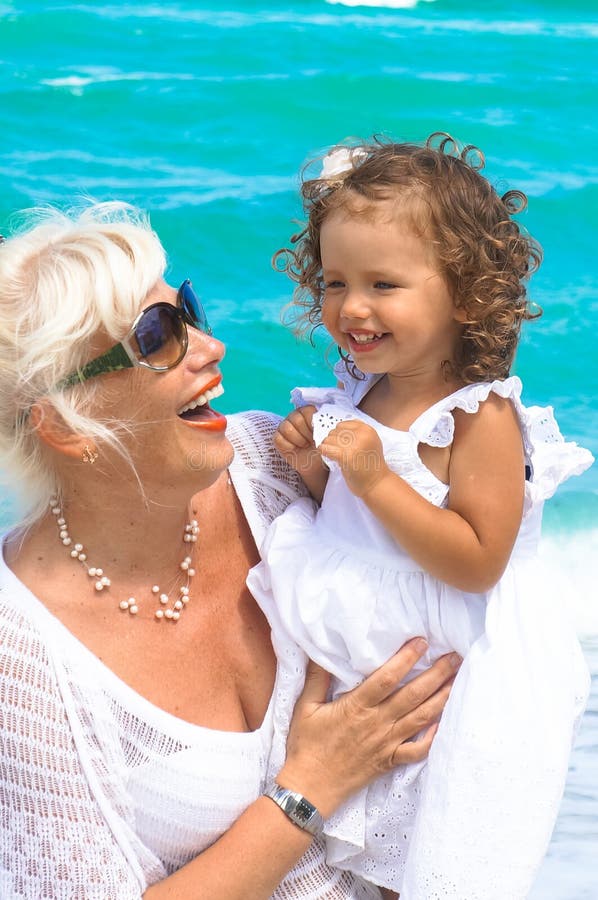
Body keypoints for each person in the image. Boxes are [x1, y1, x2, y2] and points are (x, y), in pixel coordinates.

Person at [0, 202, 460, 899]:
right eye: (156, 338)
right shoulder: (23, 656)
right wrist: (309, 787)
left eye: (186, 311)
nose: (209, 348)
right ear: (69, 428)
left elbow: (458, 575)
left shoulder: (274, 464)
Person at [247, 134, 594, 898]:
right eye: (335, 282)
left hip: (457, 671)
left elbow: (478, 560)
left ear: (465, 296)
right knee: (353, 854)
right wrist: (316, 466)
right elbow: (352, 516)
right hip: (370, 640)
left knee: (433, 858)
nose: (351, 308)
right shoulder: (363, 386)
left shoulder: (479, 416)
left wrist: (375, 480)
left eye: (383, 284)